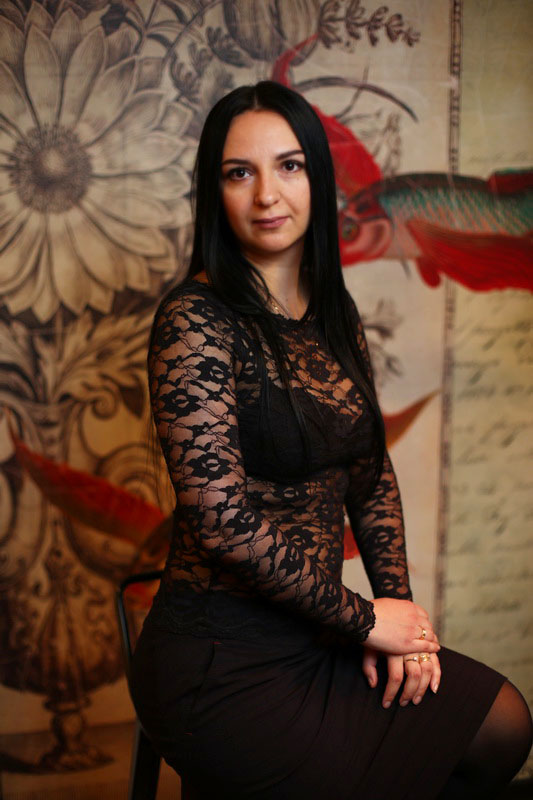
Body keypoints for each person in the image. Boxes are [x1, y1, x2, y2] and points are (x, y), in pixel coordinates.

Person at [130, 81, 532, 799]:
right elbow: (220, 520)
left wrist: (402, 626)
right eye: (239, 172)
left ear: (317, 176)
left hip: (317, 635)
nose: (266, 195)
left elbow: (370, 475)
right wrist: (364, 620)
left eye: (289, 166)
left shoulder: (333, 310)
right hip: (219, 659)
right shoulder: (194, 319)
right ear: (214, 190)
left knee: (502, 726)